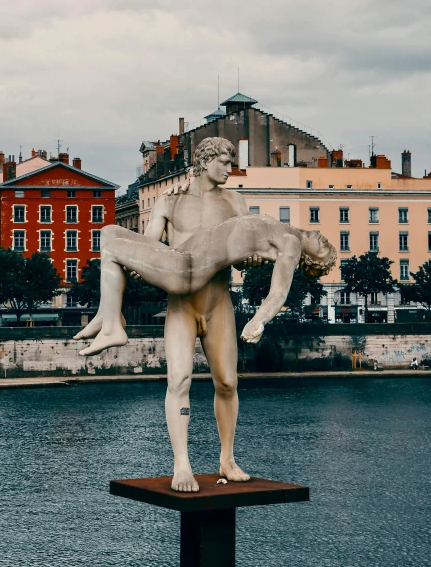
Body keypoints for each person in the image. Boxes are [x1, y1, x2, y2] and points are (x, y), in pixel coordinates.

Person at [75, 137, 336, 492]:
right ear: (205, 161)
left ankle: (227, 458)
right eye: (226, 162)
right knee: (178, 382)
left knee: (228, 383)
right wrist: (142, 263)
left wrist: (254, 263)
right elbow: (152, 240)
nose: (231, 169)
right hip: (181, 304)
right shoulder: (168, 200)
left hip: (218, 302)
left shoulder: (235, 201)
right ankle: (181, 464)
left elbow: (246, 247)